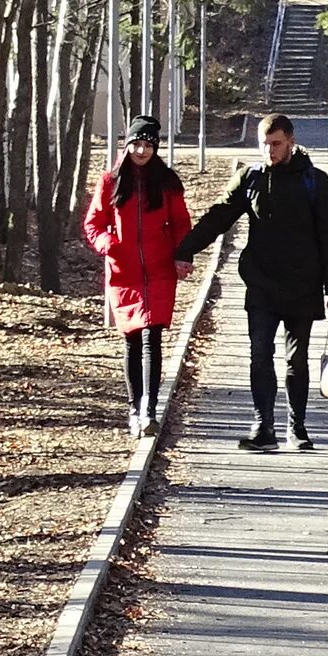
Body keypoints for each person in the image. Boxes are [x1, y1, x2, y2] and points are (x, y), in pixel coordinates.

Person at [176, 112, 328, 451]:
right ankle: (262, 427)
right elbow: (219, 216)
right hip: (262, 285)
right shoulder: (249, 178)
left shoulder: (315, 181)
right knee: (259, 355)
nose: (270, 151)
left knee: (297, 360)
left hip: (303, 284)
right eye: (264, 144)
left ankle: (297, 429)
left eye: (276, 144)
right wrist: (185, 250)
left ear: (291, 142)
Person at [82, 117, 193, 437]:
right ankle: (134, 407)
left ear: (156, 148)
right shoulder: (110, 181)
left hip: (159, 271)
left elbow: (180, 224)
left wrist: (182, 256)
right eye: (136, 144)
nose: (142, 150)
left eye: (148, 145)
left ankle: (150, 408)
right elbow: (94, 224)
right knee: (131, 339)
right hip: (124, 273)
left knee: (152, 337)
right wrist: (108, 245)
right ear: (127, 145)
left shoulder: (168, 182)